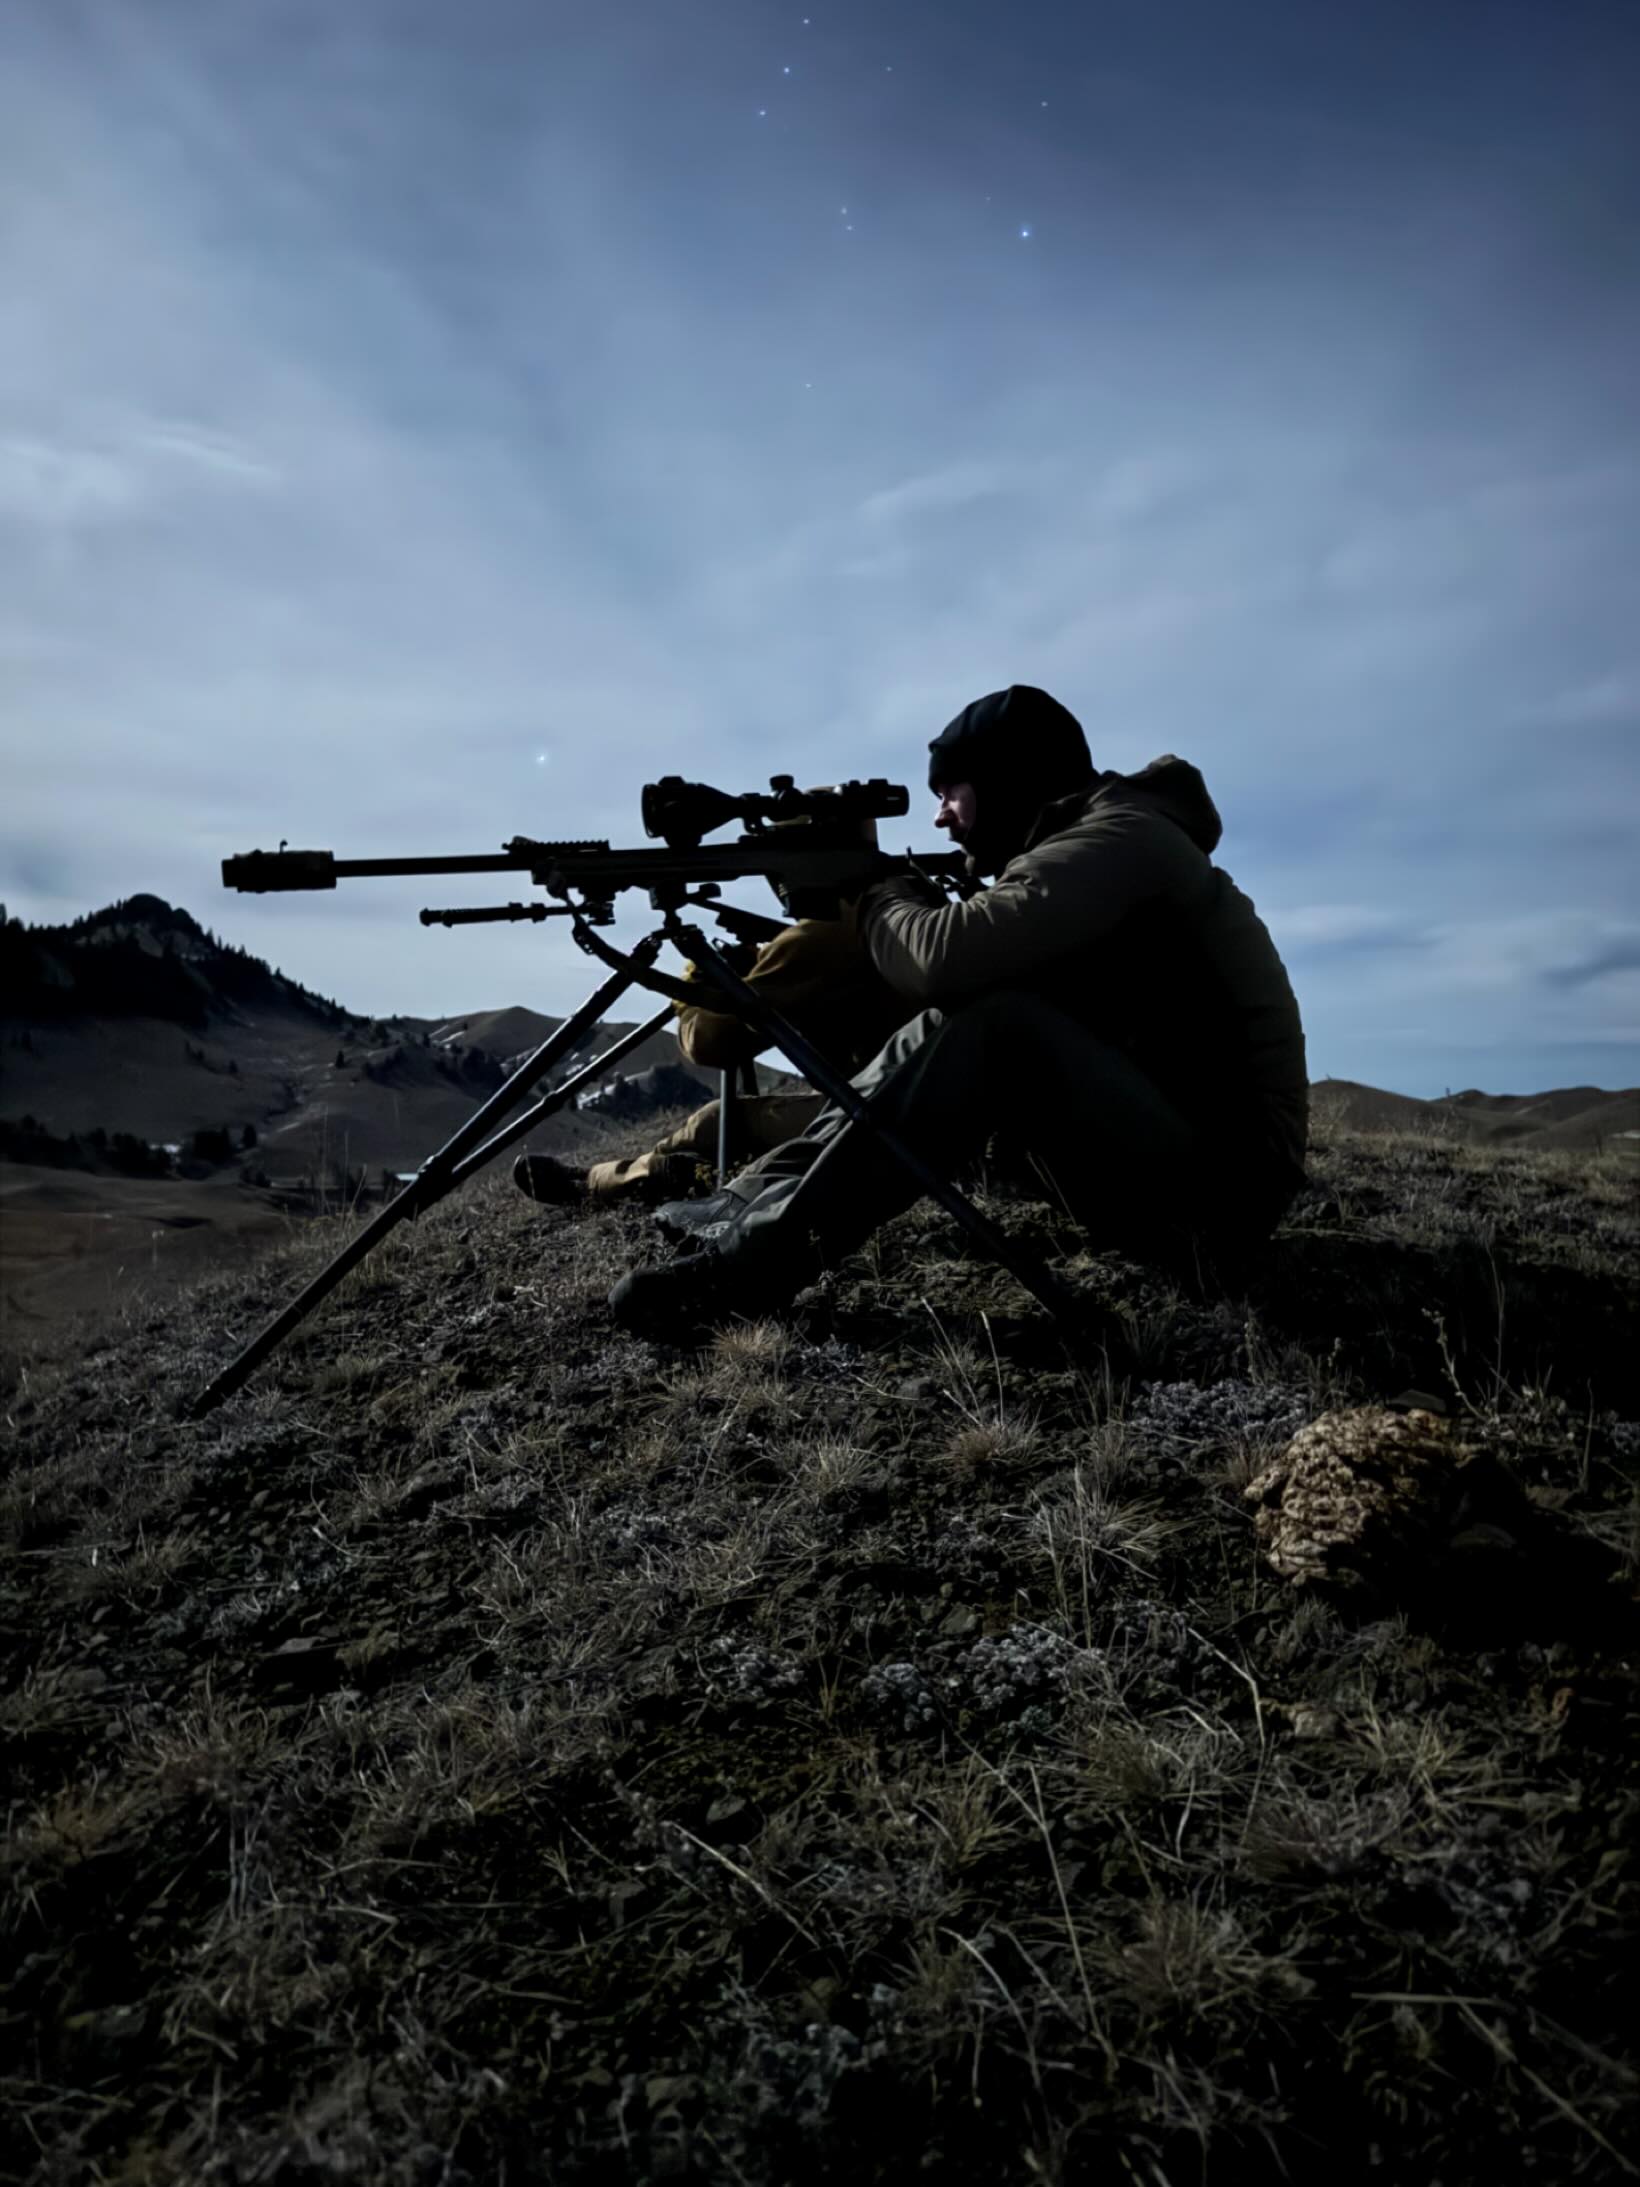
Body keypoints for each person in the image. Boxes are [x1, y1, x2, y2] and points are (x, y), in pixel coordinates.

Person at [608, 684, 1309, 1339]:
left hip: (1226, 1194)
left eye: (952, 794)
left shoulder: (1123, 838)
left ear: (1008, 780)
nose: (941, 816)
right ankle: (751, 1205)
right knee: (958, 1018)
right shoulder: (1104, 837)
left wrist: (877, 891)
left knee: (995, 1028)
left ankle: (750, 1270)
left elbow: (944, 958)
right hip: (1184, 1154)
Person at [512, 891, 909, 1208]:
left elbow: (711, 1042)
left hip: (896, 1117)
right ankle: (628, 1175)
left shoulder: (831, 925)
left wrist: (690, 997)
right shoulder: (888, 904)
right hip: (904, 1095)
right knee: (720, 1121)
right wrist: (758, 962)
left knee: (718, 1123)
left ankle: (610, 1184)